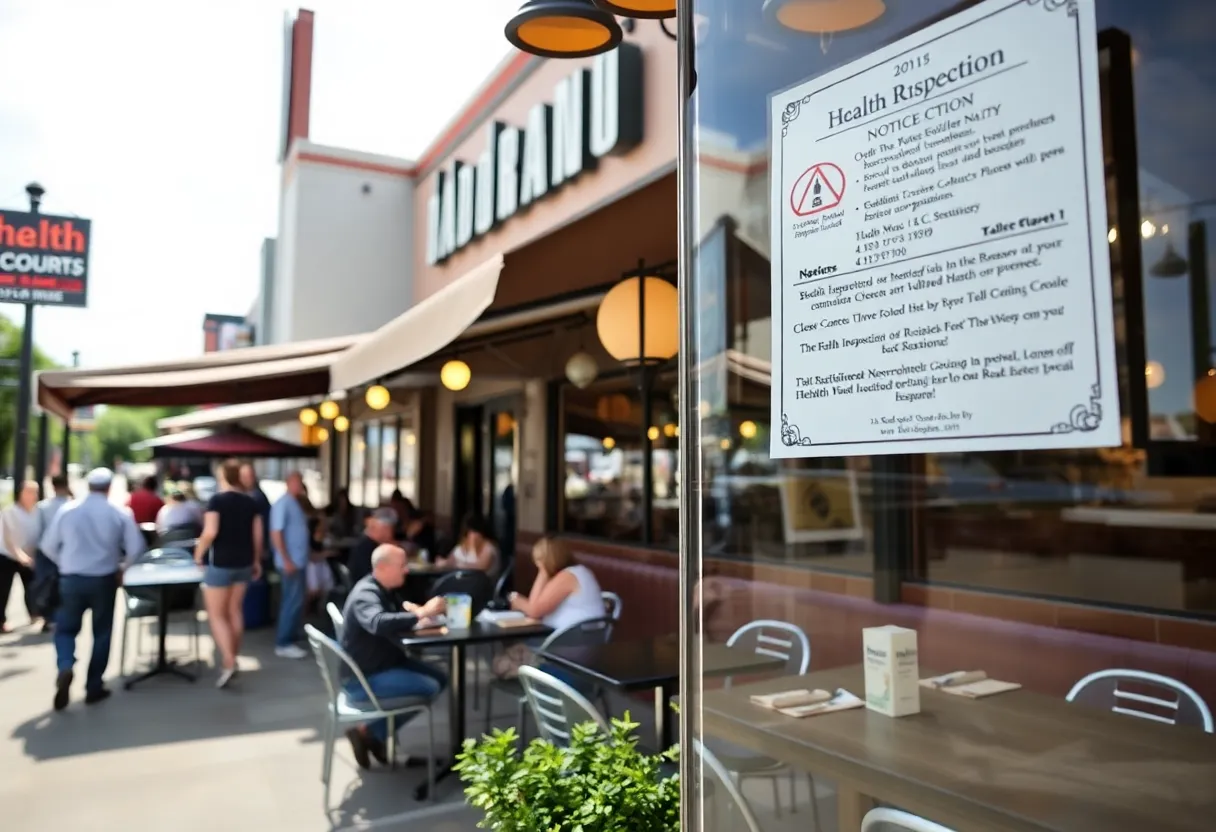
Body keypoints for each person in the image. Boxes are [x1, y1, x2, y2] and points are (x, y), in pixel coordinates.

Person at [41, 468, 146, 710]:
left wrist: (64, 562)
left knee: (65, 629)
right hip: (104, 579)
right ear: (109, 488)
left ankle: (65, 664)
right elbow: (135, 547)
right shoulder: (119, 513)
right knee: (102, 633)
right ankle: (94, 686)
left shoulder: (68, 510)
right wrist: (122, 567)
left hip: (71, 579)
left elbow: (47, 546)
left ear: (88, 486)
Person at [340, 544, 447, 769]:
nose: (406, 570)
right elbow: (377, 622)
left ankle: (371, 735)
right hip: (365, 678)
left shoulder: (384, 589)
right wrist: (421, 613)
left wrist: (411, 611)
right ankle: (370, 733)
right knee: (429, 687)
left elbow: (394, 612)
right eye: (402, 565)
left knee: (442, 679)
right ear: (382, 567)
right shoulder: (366, 594)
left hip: (384, 663)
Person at [494, 536, 604, 680]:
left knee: (499, 664)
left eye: (539, 562)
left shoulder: (567, 576)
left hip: (565, 652)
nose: (538, 565)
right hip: (579, 648)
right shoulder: (577, 572)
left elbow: (534, 611)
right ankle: (528, 673)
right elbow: (536, 607)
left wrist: (518, 600)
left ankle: (532, 677)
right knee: (505, 658)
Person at [194, 459, 263, 688]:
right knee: (235, 611)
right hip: (244, 563)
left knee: (217, 615)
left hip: (221, 563)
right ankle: (233, 656)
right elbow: (257, 536)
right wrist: (256, 561)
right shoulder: (251, 502)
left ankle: (229, 659)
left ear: (223, 475)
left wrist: (198, 553)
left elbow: (210, 531)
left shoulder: (216, 500)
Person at [269, 471, 310, 659]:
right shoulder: (283, 504)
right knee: (291, 601)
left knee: (296, 600)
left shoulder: (294, 503)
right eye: (296, 482)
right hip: (290, 562)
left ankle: (291, 635)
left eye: (301, 482)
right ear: (288, 483)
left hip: (298, 560)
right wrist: (286, 559)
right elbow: (276, 533)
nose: (300, 485)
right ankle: (283, 642)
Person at [32, 475, 73, 629]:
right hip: (67, 550)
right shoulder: (73, 505)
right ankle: (62, 614)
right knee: (64, 584)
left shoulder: (43, 506)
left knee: (46, 584)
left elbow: (37, 530)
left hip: (46, 550)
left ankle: (47, 616)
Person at [0, 481, 42, 633]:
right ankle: (1, 621)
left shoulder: (39, 511)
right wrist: (20, 555)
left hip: (30, 556)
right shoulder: (10, 512)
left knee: (32, 587)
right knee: (3, 590)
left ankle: (35, 614)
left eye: (35, 492)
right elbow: (8, 539)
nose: (33, 496)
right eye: (30, 492)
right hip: (8, 555)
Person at [347, 507, 398, 585]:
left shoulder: (366, 543)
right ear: (382, 527)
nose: (391, 534)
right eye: (390, 529)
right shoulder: (367, 549)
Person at [239, 463, 272, 558]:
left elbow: (264, 524)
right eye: (243, 476)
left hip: (256, 548)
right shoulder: (242, 496)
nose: (245, 479)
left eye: (248, 476)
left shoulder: (258, 498)